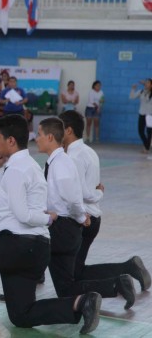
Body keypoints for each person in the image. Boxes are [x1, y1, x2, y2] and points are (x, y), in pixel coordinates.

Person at [0, 114, 102, 334]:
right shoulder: (27, 165)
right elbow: (1, 200)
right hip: (34, 249)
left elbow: (23, 215)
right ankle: (80, 304)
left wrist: (49, 218)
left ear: (10, 141)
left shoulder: (18, 169)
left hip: (20, 244)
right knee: (21, 314)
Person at [35, 117, 136, 309]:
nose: (36, 138)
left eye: (39, 134)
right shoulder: (56, 161)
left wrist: (82, 217)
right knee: (68, 283)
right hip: (64, 225)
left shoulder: (63, 162)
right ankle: (116, 284)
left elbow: (73, 197)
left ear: (50, 137)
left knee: (63, 280)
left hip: (63, 226)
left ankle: (116, 284)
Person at [59, 110, 151, 293]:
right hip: (93, 217)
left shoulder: (73, 157)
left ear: (68, 131)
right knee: (76, 271)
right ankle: (126, 271)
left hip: (83, 219)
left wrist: (99, 193)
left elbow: (81, 193)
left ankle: (122, 277)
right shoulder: (89, 151)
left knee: (72, 275)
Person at [129, 79, 152, 153]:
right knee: (140, 131)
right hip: (142, 113)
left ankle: (146, 148)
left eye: (148, 83)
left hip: (150, 115)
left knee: (149, 132)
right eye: (145, 82)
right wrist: (133, 89)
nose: (146, 84)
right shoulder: (141, 92)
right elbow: (132, 97)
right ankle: (147, 145)